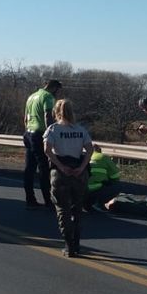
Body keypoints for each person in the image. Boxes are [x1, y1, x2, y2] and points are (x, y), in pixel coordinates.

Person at [44, 98, 92, 257]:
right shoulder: (80, 130)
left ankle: (69, 245)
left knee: (62, 210)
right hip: (79, 173)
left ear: (56, 112)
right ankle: (77, 243)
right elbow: (90, 150)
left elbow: (47, 150)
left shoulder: (53, 129)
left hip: (60, 172)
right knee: (77, 209)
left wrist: (60, 166)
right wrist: (82, 167)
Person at [22, 79, 62, 209]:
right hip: (39, 134)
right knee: (44, 168)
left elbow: (25, 117)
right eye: (58, 91)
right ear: (54, 88)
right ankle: (48, 201)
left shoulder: (32, 96)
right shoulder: (48, 97)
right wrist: (50, 134)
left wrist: (27, 131)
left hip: (28, 133)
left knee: (29, 168)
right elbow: (47, 116)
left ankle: (30, 199)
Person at [85, 145, 120, 212]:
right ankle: (98, 203)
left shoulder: (84, 157)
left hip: (81, 189)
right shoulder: (103, 157)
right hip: (95, 189)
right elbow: (115, 175)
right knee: (117, 186)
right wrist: (108, 179)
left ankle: (85, 203)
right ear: (100, 151)